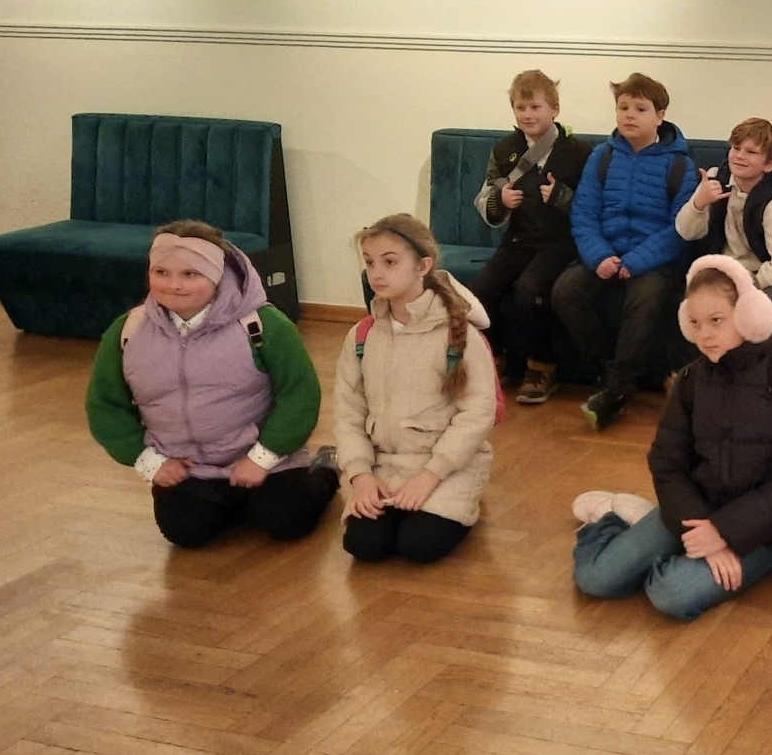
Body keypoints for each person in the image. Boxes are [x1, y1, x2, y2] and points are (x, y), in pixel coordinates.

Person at [572, 255, 772, 620]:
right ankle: (617, 520)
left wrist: (725, 532)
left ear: (749, 314)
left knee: (671, 593)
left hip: (763, 531)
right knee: (595, 578)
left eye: (716, 321)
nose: (704, 334)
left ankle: (652, 534)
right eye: (695, 323)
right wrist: (700, 528)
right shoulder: (691, 380)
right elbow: (666, 461)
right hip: (694, 512)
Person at [88, 220, 336, 548]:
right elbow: (105, 404)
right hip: (188, 468)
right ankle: (236, 506)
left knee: (287, 522)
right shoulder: (128, 331)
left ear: (217, 275)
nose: (173, 285)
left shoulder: (264, 325)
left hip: (266, 461)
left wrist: (262, 457)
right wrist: (149, 461)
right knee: (186, 533)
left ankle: (326, 467)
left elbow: (300, 393)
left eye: (190, 274)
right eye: (161, 272)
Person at [336, 215, 497, 563]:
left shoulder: (459, 336)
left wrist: (430, 476)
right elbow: (348, 413)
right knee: (364, 546)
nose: (376, 273)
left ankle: (461, 504)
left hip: (447, 467)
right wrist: (360, 476)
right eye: (369, 263)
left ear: (423, 266)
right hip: (381, 466)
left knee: (419, 545)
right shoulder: (360, 336)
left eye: (390, 262)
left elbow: (478, 414)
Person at [550, 73, 697, 430]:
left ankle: (614, 394)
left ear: (660, 116)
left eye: (640, 109)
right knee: (565, 292)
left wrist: (637, 260)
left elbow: (680, 228)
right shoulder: (602, 156)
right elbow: (584, 213)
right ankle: (613, 375)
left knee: (643, 300)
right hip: (606, 252)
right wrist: (599, 256)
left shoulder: (681, 164)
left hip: (654, 260)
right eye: (623, 107)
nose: (629, 115)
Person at [469, 69, 593, 404]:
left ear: (554, 109)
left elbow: (592, 206)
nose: (528, 114)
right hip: (519, 239)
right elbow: (486, 196)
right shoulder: (504, 150)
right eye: (520, 108)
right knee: (480, 291)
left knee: (530, 290)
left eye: (535, 107)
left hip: (561, 241)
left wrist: (561, 197)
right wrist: (501, 200)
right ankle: (495, 359)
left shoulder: (580, 152)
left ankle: (542, 366)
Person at [676, 118, 772, 343]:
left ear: (769, 164)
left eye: (751, 152)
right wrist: (699, 203)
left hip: (760, 274)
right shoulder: (715, 179)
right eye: (736, 148)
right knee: (692, 310)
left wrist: (748, 283)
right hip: (719, 269)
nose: (739, 156)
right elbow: (686, 232)